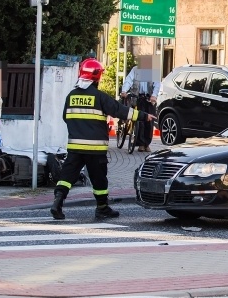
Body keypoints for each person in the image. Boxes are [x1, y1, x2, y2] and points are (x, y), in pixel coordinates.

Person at [51, 58, 155, 220]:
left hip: (75, 147)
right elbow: (121, 111)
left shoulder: (71, 96)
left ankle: (57, 203)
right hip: (95, 149)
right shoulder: (99, 97)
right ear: (97, 77)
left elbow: (66, 117)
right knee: (99, 180)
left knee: (66, 177)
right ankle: (102, 208)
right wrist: (144, 116)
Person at [120, 62, 160, 152]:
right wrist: (124, 91)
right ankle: (141, 144)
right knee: (140, 121)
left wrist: (154, 95)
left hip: (149, 99)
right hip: (137, 98)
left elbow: (157, 84)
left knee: (150, 122)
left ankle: (147, 144)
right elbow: (128, 80)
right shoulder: (135, 70)